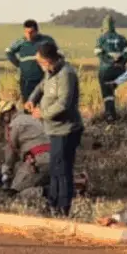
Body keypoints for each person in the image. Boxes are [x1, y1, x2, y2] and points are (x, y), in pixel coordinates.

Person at [26, 41, 83, 217]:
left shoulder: (66, 75)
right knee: (55, 167)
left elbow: (63, 104)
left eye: (40, 62)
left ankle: (63, 208)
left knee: (62, 169)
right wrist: (32, 99)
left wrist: (42, 114)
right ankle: (53, 202)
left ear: (49, 60)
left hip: (66, 130)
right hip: (54, 130)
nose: (39, 65)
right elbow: (41, 87)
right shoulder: (50, 73)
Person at [0, 100, 50, 199]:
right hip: (55, 159)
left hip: (37, 162)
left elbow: (10, 157)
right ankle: (73, 186)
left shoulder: (13, 126)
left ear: (6, 115)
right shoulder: (32, 119)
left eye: (1, 119)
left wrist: (6, 174)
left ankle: (48, 192)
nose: (2, 123)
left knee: (14, 193)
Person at [5, 19, 56, 103]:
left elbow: (56, 54)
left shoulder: (46, 40)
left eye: (31, 32)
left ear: (37, 31)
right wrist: (19, 64)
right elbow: (8, 52)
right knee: (28, 104)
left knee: (45, 103)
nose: (28, 35)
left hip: (43, 79)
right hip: (26, 81)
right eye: (26, 32)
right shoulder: (21, 42)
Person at [95, 14, 127, 122]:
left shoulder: (101, 38)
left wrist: (110, 61)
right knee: (113, 88)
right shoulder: (122, 38)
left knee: (107, 92)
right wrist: (121, 62)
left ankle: (110, 114)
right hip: (120, 70)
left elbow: (98, 53)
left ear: (104, 26)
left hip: (106, 70)